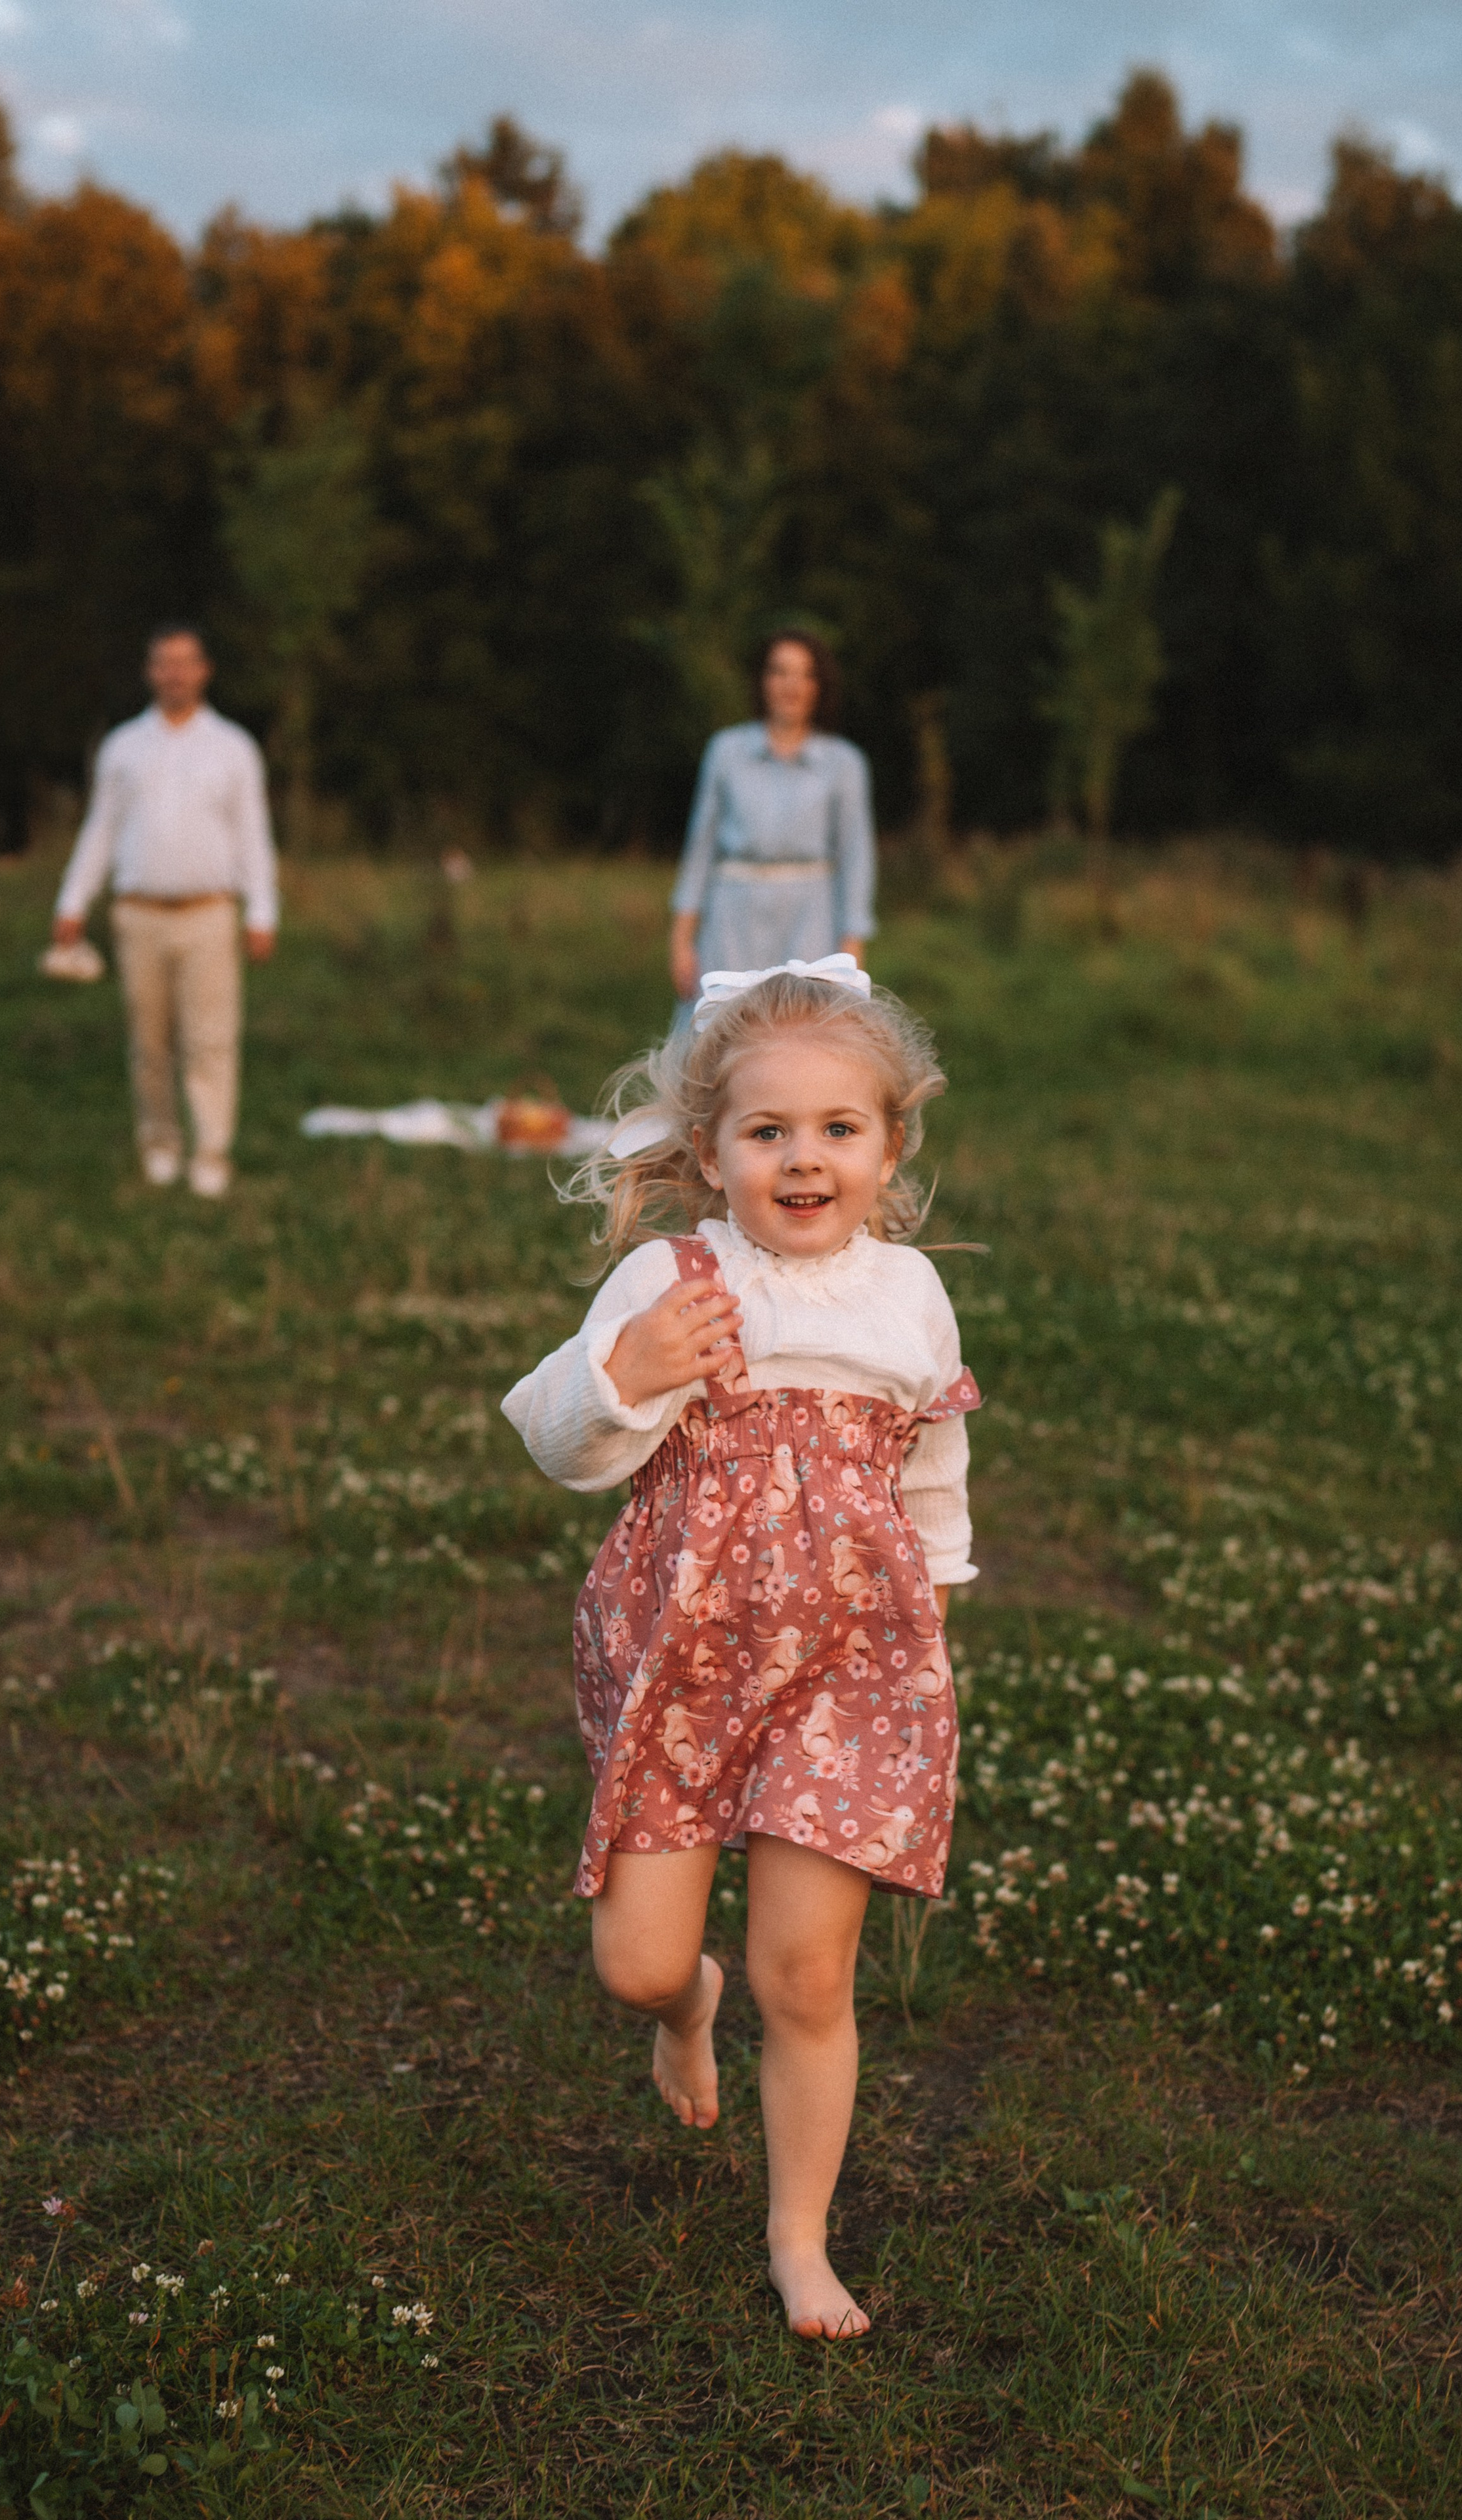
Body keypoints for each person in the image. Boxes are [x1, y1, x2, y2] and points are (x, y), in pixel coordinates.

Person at [502, 956, 980, 2342]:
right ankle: (683, 2004)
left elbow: (933, 1475)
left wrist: (925, 1632)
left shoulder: (905, 1299)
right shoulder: (678, 1275)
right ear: (708, 1154)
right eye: (767, 1131)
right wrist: (629, 1371)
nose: (804, 1157)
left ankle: (796, 2236)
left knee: (808, 1974)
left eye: (838, 1128)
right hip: (687, 1662)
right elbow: (555, 1440)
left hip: (849, 1675)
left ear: (888, 1145)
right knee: (639, 1963)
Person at [50, 624, 278, 1198]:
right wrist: (73, 901)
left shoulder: (233, 748)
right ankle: (159, 1143)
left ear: (205, 670)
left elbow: (253, 835)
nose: (174, 673)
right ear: (150, 672)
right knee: (149, 1041)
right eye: (163, 663)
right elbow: (101, 829)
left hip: (209, 913)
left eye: (185, 663)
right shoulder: (124, 747)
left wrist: (262, 912)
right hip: (139, 913)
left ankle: (211, 1152)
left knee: (212, 1039)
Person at [668, 633, 875, 1020]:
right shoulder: (726, 752)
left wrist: (852, 945)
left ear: (819, 686)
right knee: (718, 1034)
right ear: (764, 681)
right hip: (732, 916)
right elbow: (701, 847)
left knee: (802, 1036)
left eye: (804, 674)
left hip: (810, 919)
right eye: (780, 672)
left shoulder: (844, 763)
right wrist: (682, 939)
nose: (790, 685)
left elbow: (856, 856)